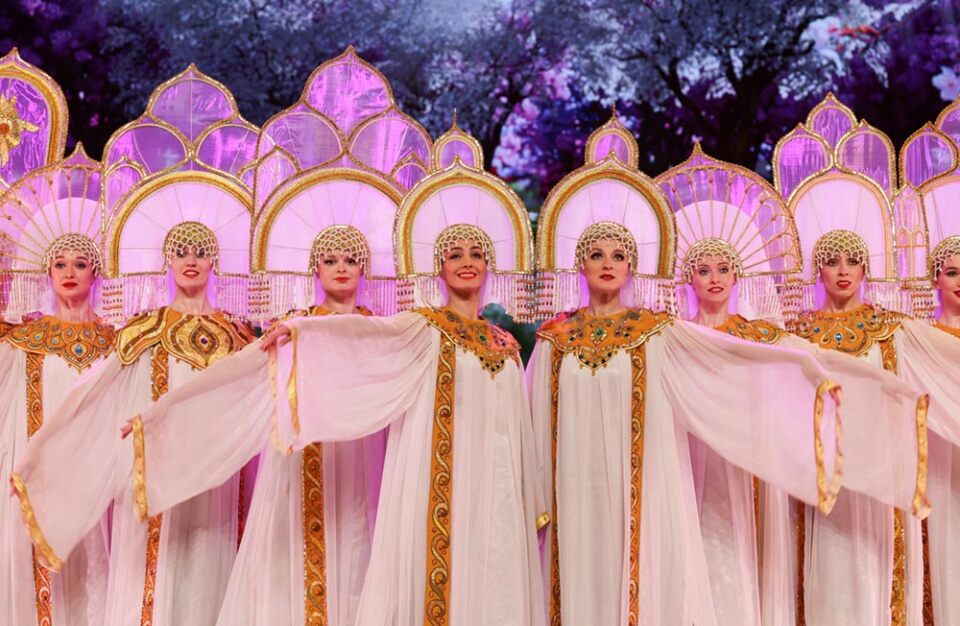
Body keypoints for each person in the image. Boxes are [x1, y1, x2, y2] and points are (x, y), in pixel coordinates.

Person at [11, 219, 255, 626]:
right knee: (156, 572)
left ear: (214, 262)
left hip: (217, 477)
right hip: (155, 472)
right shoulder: (143, 332)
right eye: (180, 252)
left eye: (200, 253)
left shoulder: (238, 336)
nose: (190, 261)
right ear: (167, 262)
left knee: (209, 564)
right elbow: (88, 397)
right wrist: (38, 452)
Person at [1, 150, 112, 626]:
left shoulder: (118, 343)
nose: (69, 273)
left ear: (96, 272)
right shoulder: (22, 341)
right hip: (41, 477)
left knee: (97, 573)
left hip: (98, 479)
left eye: (80, 263)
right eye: (60, 263)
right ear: (46, 271)